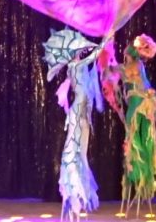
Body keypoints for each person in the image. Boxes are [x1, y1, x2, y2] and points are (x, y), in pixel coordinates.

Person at [43, 29, 105, 222]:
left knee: (82, 156)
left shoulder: (79, 66)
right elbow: (94, 55)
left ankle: (77, 196)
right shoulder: (75, 65)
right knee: (73, 152)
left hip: (84, 113)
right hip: (77, 112)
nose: (81, 51)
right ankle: (73, 192)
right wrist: (105, 39)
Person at [101, 34, 156, 218]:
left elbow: (109, 71)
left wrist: (104, 53)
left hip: (138, 105)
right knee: (141, 142)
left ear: (129, 54)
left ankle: (138, 176)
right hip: (145, 104)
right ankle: (141, 178)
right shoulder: (137, 65)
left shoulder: (127, 67)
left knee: (133, 141)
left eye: (126, 53)